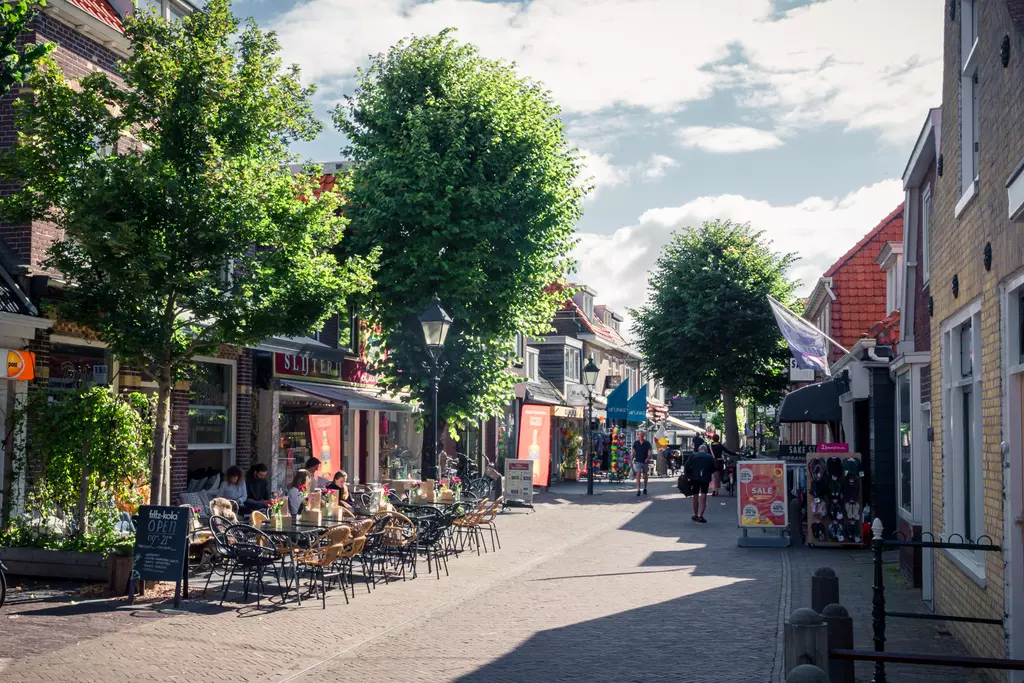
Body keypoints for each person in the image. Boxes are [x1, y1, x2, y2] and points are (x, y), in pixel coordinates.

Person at [686, 444, 716, 523]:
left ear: (699, 450)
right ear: (705, 450)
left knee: (695, 496)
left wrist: (689, 475)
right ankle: (701, 516)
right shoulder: (710, 457)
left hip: (695, 478)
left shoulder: (693, 456)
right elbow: (713, 468)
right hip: (705, 478)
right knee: (704, 496)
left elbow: (687, 466)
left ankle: (695, 515)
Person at [631, 430, 653, 496]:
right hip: (637, 461)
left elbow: (649, 452)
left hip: (645, 461)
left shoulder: (647, 443)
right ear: (638, 435)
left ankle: (645, 488)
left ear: (644, 435)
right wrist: (631, 461)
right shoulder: (636, 443)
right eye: (639, 435)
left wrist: (647, 458)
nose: (640, 436)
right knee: (638, 475)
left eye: (642, 435)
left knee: (645, 475)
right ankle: (638, 490)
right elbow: (633, 453)